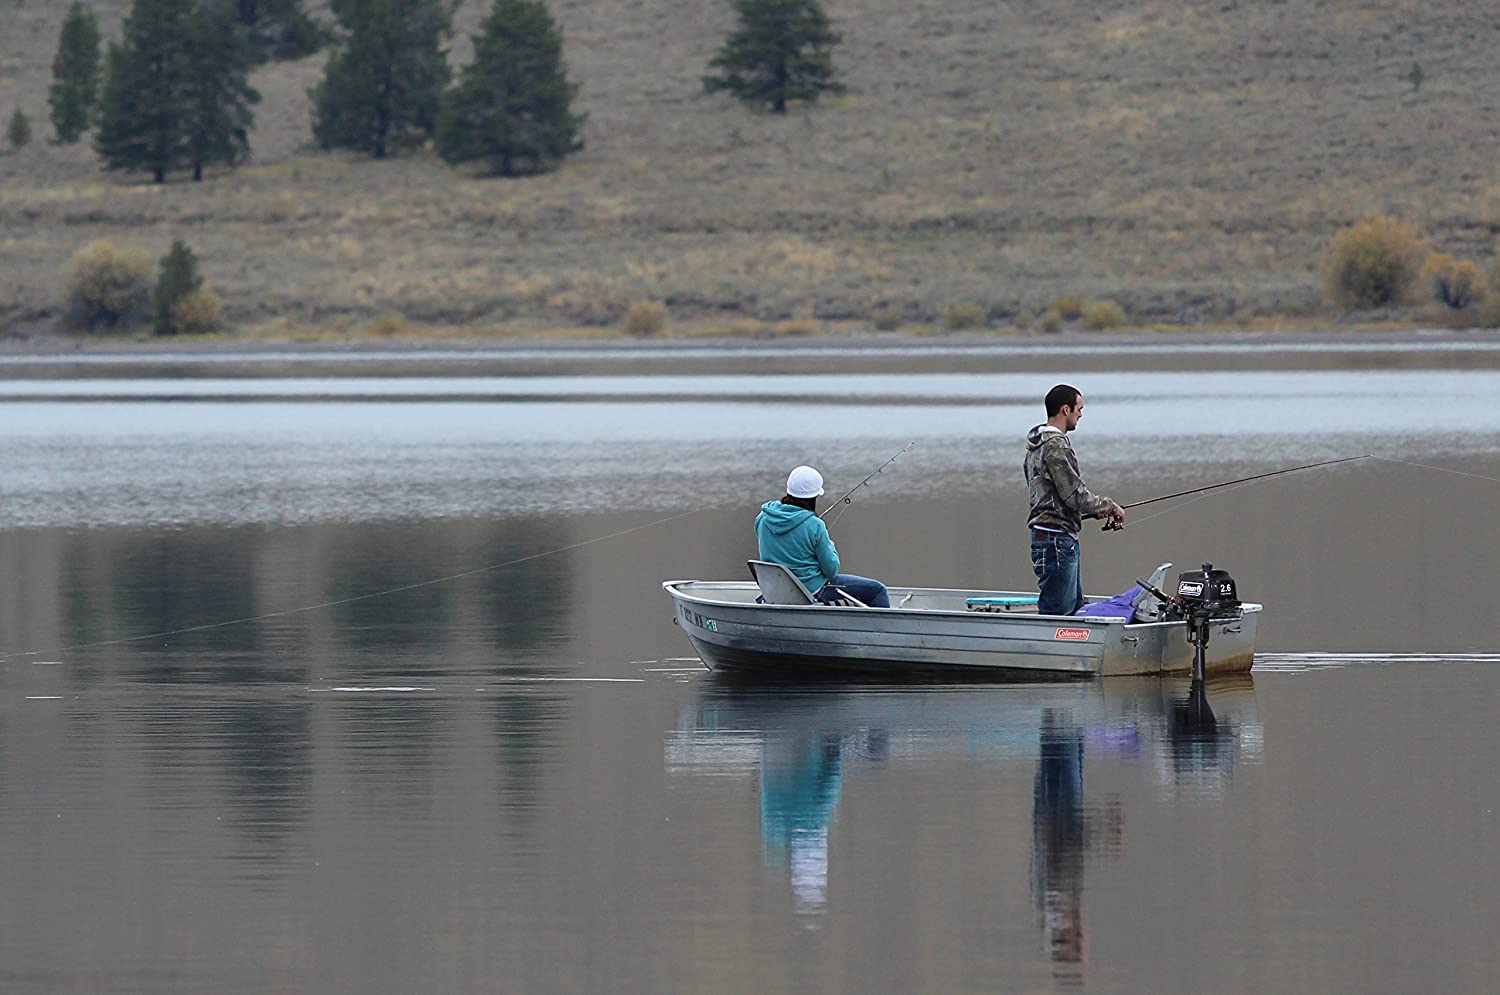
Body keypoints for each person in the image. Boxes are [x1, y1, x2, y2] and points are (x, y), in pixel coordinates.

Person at [1024, 384, 1124, 616]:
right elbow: (1075, 495)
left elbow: (1049, 495)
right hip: (1056, 539)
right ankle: (1050, 651)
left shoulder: (1036, 445)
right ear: (1065, 409)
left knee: (1074, 608)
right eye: (1079, 409)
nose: (1081, 414)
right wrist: (1110, 506)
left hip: (1049, 535)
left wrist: (1083, 511)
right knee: (1059, 612)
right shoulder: (1056, 447)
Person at [755, 465, 891, 608]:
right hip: (812, 590)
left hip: (775, 589)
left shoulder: (763, 517)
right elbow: (831, 570)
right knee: (877, 590)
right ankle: (886, 629)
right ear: (814, 495)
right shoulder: (815, 525)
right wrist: (830, 546)